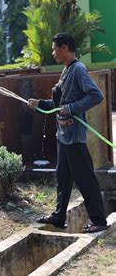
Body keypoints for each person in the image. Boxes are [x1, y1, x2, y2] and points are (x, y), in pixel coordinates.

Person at [28, 33, 108, 233]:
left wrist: (72, 108)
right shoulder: (66, 71)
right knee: (62, 176)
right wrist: (39, 104)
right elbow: (58, 105)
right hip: (63, 135)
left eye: (55, 48)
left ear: (65, 48)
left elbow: (96, 96)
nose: (53, 52)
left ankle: (98, 220)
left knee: (85, 178)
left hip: (74, 136)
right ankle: (59, 216)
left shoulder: (78, 70)